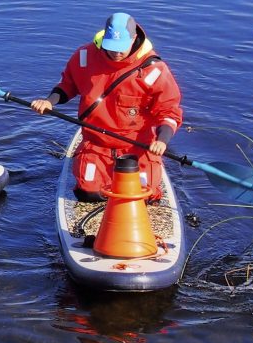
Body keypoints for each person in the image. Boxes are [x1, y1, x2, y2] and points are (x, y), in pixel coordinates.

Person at [31, 13, 183, 202]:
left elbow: (169, 110)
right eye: (111, 48)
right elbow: (68, 85)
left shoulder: (154, 70)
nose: (116, 53)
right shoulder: (84, 57)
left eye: (121, 48)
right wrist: (49, 101)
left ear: (134, 39)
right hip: (97, 143)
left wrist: (162, 140)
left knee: (142, 197)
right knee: (89, 194)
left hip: (135, 147)